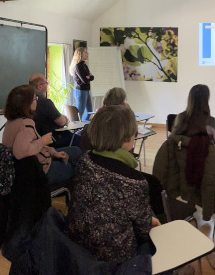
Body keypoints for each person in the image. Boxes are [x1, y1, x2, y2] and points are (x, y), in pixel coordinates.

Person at [65, 105, 160, 263]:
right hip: (113, 259)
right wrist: (151, 221)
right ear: (126, 139)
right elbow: (143, 231)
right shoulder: (134, 181)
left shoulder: (85, 159)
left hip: (78, 246)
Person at [1, 85, 80, 186]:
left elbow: (30, 144)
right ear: (26, 103)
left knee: (75, 151)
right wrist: (42, 141)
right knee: (77, 167)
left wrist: (53, 152)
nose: (37, 101)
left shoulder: (11, 121)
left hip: (29, 166)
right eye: (35, 99)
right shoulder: (26, 124)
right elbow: (20, 152)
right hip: (40, 170)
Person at [172, 84, 215, 148]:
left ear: (190, 99)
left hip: (181, 157)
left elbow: (172, 139)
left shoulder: (180, 118)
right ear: (206, 100)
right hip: (205, 157)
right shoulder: (212, 122)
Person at [29, 74, 74, 147]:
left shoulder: (25, 102)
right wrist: (65, 119)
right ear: (39, 87)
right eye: (46, 82)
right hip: (51, 139)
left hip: (35, 140)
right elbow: (61, 121)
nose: (47, 84)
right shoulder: (45, 102)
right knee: (80, 140)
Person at [69, 47, 94, 121]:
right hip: (80, 91)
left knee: (89, 111)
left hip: (86, 90)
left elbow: (92, 77)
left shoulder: (84, 65)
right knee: (79, 112)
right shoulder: (78, 66)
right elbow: (84, 81)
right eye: (85, 52)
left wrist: (89, 77)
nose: (87, 54)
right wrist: (89, 77)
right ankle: (77, 129)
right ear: (80, 54)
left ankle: (82, 127)